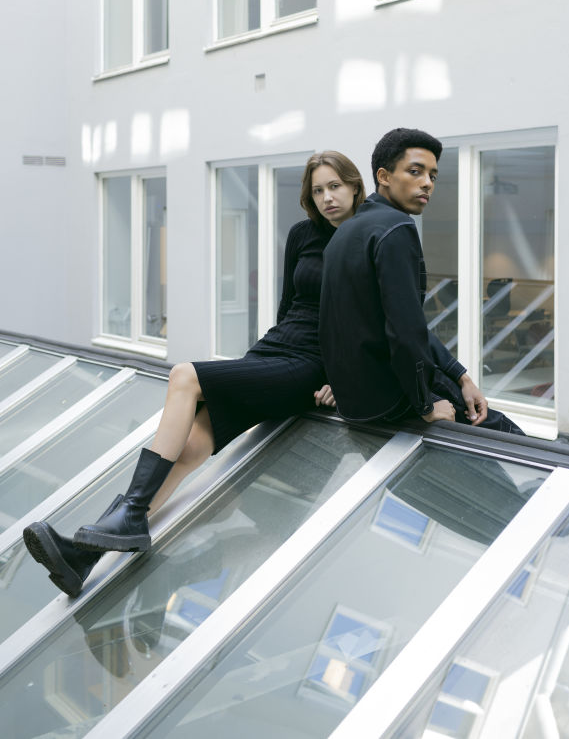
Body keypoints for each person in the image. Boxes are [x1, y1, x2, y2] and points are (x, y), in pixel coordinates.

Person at [23, 151, 366, 597]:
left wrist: (344, 380)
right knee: (189, 451)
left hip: (308, 366)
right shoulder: (303, 234)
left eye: (335, 186)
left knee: (184, 375)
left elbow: (372, 327)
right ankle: (83, 559)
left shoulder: (368, 238)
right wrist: (257, 361)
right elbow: (287, 306)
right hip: (273, 353)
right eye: (318, 190)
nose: (327, 197)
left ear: (355, 186)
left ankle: (131, 516)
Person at [319, 127, 522, 433]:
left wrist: (461, 376)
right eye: (415, 171)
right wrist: (424, 404)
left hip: (356, 403)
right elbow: (405, 330)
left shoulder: (345, 231)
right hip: (394, 398)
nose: (427, 183)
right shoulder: (396, 227)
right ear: (384, 176)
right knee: (510, 436)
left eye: (433, 175)